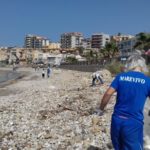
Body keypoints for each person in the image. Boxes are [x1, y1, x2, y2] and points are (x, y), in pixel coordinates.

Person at [95, 54, 150, 149]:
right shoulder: (147, 81)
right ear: (142, 66)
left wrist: (101, 109)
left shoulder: (120, 77)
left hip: (117, 120)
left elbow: (108, 93)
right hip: (133, 123)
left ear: (129, 64)